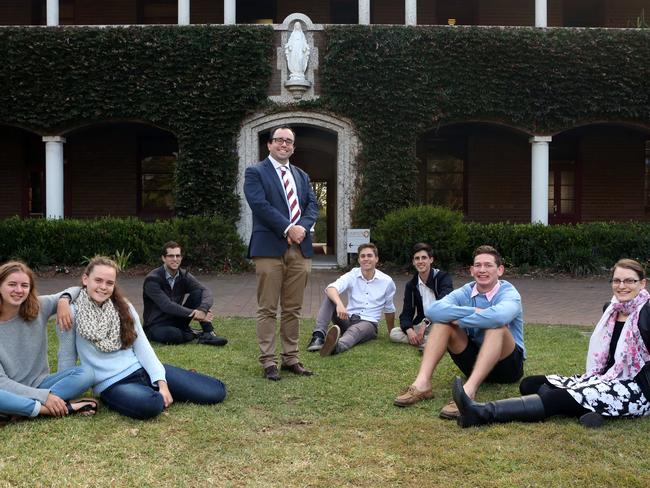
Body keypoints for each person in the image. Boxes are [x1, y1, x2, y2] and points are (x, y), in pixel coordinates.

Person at [453, 258, 650, 428]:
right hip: (603, 378)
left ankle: (480, 413)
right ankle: (590, 409)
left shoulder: (646, 312)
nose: (622, 286)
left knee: (555, 397)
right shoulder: (612, 310)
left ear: (642, 284)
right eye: (617, 280)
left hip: (635, 389)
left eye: (629, 281)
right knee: (531, 384)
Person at [58, 256, 226, 420]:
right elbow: (67, 357)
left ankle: (164, 386)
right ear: (85, 279)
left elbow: (143, 347)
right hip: (112, 384)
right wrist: (65, 397)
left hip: (141, 369)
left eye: (109, 283)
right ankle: (157, 392)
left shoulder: (123, 307)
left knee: (216, 391)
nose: (103, 287)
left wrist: (161, 382)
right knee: (151, 404)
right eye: (98, 280)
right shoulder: (70, 313)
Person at [393, 245, 525, 421]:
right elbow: (433, 311)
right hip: (473, 362)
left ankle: (467, 392)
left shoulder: (509, 293)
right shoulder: (465, 291)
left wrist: (460, 318)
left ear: (500, 270)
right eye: (478, 265)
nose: (482, 270)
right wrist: (476, 312)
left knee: (497, 327)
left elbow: (499, 316)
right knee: (442, 324)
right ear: (471, 270)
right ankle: (422, 384)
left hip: (507, 366)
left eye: (488, 265)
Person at [244, 126, 319, 381]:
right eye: (279, 140)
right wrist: (288, 227)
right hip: (269, 248)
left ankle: (291, 358)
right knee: (267, 308)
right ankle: (268, 362)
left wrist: (302, 229)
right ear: (270, 144)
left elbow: (312, 206)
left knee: (293, 308)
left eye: (289, 141)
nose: (284, 145)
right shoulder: (255, 172)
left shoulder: (302, 175)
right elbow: (259, 204)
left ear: (293, 147)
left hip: (300, 249)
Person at [0, 261, 97, 421]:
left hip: (41, 382)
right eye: (12, 284)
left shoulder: (38, 306)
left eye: (24, 285)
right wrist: (44, 397)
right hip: (9, 390)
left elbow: (78, 290)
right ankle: (51, 409)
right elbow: (2, 383)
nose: (18, 290)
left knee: (86, 373)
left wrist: (64, 300)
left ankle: (20, 410)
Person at [306, 243, 396, 356]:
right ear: (359, 260)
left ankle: (336, 346)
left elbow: (389, 309)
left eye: (369, 255)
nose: (366, 259)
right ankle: (318, 336)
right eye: (363, 256)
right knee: (330, 297)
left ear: (376, 259)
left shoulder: (387, 281)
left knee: (355, 331)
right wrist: (339, 303)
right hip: (347, 319)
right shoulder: (353, 274)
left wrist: (391, 331)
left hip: (368, 324)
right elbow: (331, 288)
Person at [142, 241, 227, 346]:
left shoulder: (184, 275)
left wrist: (202, 310)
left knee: (198, 292)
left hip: (177, 320)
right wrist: (195, 313)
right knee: (172, 335)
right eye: (171, 256)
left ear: (181, 258)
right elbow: (167, 306)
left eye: (178, 256)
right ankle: (195, 335)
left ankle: (208, 332)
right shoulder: (152, 279)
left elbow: (206, 291)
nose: (175, 259)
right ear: (163, 258)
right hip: (156, 325)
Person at [390, 243, 453, 348]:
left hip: (440, 321)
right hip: (422, 326)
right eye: (417, 258)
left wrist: (426, 322)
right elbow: (406, 313)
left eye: (424, 258)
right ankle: (429, 341)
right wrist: (409, 330)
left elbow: (443, 303)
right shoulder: (411, 285)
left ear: (431, 260)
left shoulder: (443, 278)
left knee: (447, 330)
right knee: (394, 333)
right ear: (413, 262)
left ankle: (432, 339)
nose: (420, 261)